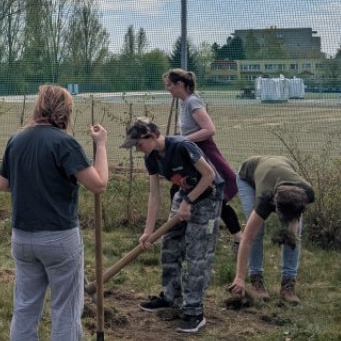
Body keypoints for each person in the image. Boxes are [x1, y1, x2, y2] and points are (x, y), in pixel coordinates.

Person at [0, 85, 109, 341]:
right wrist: (100, 145)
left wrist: (31, 180)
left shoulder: (17, 139)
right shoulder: (64, 143)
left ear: (39, 106)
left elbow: (2, 184)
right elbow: (98, 184)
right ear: (65, 111)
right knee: (65, 310)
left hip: (23, 238)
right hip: (59, 239)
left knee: (25, 306)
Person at [124, 117, 222, 334]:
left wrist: (188, 202)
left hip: (209, 196)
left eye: (139, 144)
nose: (138, 150)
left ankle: (194, 312)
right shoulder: (151, 157)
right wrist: (148, 231)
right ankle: (171, 296)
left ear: (150, 136)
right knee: (169, 246)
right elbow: (154, 195)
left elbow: (209, 175)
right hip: (186, 193)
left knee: (197, 254)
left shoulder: (182, 146)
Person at [163, 68, 243, 254]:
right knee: (179, 189)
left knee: (214, 195)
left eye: (169, 85)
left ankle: (239, 237)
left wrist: (183, 140)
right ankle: (178, 232)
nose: (168, 89)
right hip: (191, 154)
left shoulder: (193, 102)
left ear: (180, 84)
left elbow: (209, 129)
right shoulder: (184, 102)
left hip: (203, 154)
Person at [229, 155, 315, 305]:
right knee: (256, 232)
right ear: (275, 206)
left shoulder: (307, 192)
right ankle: (256, 280)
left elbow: (294, 221)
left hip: (282, 167)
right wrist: (240, 277)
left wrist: (291, 234)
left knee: (293, 234)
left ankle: (288, 285)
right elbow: (247, 238)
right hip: (248, 176)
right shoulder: (265, 198)